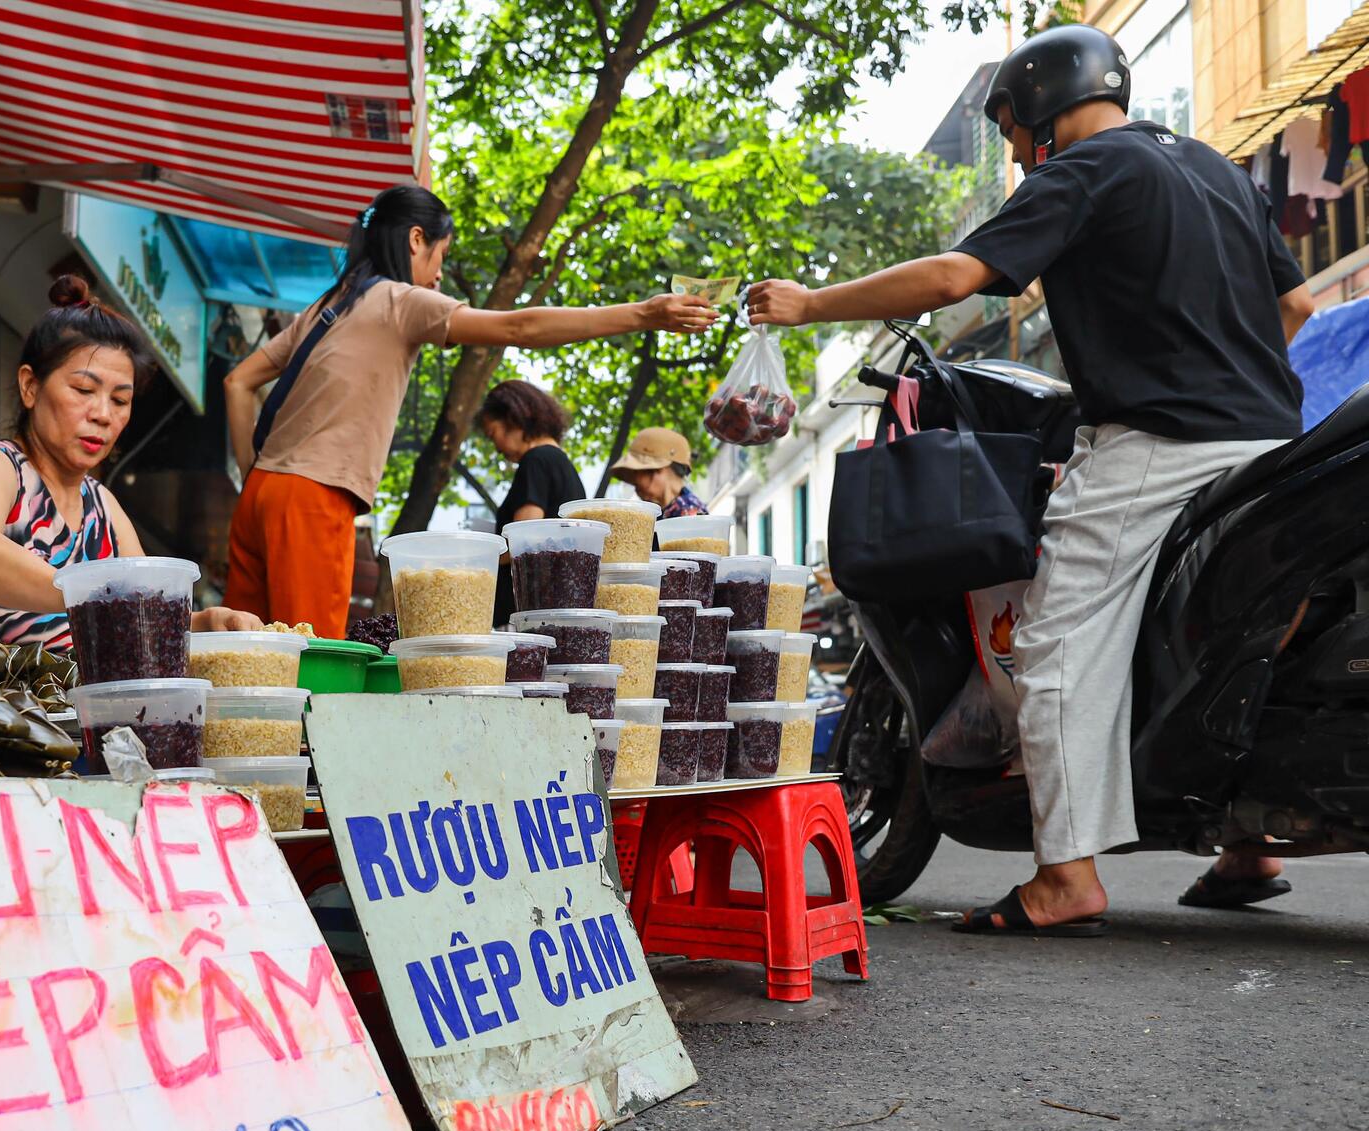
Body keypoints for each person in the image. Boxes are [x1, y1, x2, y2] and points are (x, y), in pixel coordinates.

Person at [747, 23, 1315, 933]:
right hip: (1272, 446)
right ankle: (1251, 844)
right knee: (1219, 635)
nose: (1015, 156)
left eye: (1012, 135)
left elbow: (952, 277)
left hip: (1157, 447)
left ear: (1042, 107)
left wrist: (811, 303)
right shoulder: (1217, 171)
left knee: (1050, 643)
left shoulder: (1086, 171)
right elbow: (1295, 304)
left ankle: (1064, 877)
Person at [222, 184, 719, 638]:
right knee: (306, 657)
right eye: (441, 255)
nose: (439, 274)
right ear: (416, 240)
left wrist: (255, 477)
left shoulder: (325, 307)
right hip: (313, 498)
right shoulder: (400, 301)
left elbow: (237, 381)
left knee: (242, 649)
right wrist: (644, 314)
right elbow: (517, 328)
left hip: (260, 496)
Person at [0, 275, 259, 651]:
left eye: (120, 400)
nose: (103, 414)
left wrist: (207, 623)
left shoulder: (103, 506)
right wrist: (88, 593)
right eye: (84, 390)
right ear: (30, 386)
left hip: (56, 707)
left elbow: (145, 613)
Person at [480, 378, 586, 623]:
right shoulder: (562, 463)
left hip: (526, 613)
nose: (496, 447)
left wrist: (477, 559)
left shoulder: (535, 460)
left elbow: (522, 541)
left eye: (492, 434)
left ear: (513, 418)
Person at [609, 428, 710, 517]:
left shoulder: (688, 511)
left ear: (660, 469)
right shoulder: (667, 511)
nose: (637, 490)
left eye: (637, 483)